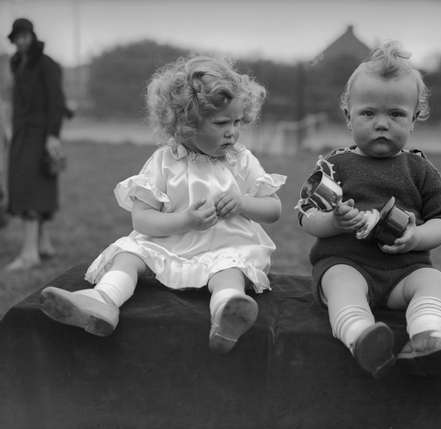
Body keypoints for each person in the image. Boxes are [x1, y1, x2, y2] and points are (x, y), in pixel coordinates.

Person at [40, 56, 286, 354]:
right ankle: (103, 301)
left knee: (230, 269)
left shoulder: (241, 160)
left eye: (237, 121)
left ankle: (227, 314)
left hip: (224, 248)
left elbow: (274, 210)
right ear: (186, 125)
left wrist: (243, 202)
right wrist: (186, 221)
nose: (232, 131)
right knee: (130, 253)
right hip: (170, 247)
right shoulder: (165, 162)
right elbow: (141, 220)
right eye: (221, 123)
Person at [297, 41, 441, 378]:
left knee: (434, 280)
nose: (382, 123)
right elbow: (307, 218)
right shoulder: (335, 165)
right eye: (368, 113)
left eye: (396, 114)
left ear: (414, 119)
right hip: (347, 263)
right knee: (340, 282)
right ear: (348, 116)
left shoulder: (421, 170)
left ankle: (428, 337)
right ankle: (361, 337)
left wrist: (415, 237)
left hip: (403, 272)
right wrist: (334, 222)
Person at [4, 18, 67, 271]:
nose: (21, 41)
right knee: (28, 185)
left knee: (31, 188)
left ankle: (29, 254)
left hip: (40, 134)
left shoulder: (46, 63)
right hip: (21, 133)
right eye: (17, 36)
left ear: (32, 35)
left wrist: (53, 135)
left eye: (25, 35)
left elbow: (56, 100)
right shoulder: (16, 62)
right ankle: (43, 244)